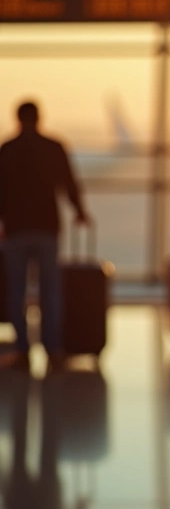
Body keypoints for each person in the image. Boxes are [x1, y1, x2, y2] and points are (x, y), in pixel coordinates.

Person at [0, 101, 90, 372]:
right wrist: (79, 210)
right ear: (40, 118)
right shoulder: (53, 147)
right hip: (46, 227)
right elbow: (68, 182)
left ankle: (22, 348)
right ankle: (53, 348)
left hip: (16, 229)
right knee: (50, 291)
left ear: (17, 119)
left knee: (16, 291)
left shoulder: (8, 150)